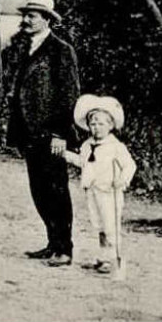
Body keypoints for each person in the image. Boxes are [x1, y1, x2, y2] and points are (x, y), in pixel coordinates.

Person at [6, 0, 79, 265]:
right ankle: (52, 243)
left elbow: (69, 95)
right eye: (25, 15)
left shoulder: (62, 51)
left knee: (57, 190)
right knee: (39, 190)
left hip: (52, 135)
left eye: (31, 15)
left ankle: (64, 248)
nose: (25, 20)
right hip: (29, 133)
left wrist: (61, 133)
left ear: (47, 19)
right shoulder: (23, 47)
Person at [63, 94, 136, 275]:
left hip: (109, 191)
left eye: (101, 124)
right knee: (99, 226)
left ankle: (115, 259)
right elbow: (83, 162)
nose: (96, 128)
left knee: (111, 226)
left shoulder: (115, 146)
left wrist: (123, 179)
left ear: (110, 126)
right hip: (93, 190)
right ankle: (103, 257)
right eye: (93, 124)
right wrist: (64, 154)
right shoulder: (88, 145)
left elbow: (130, 165)